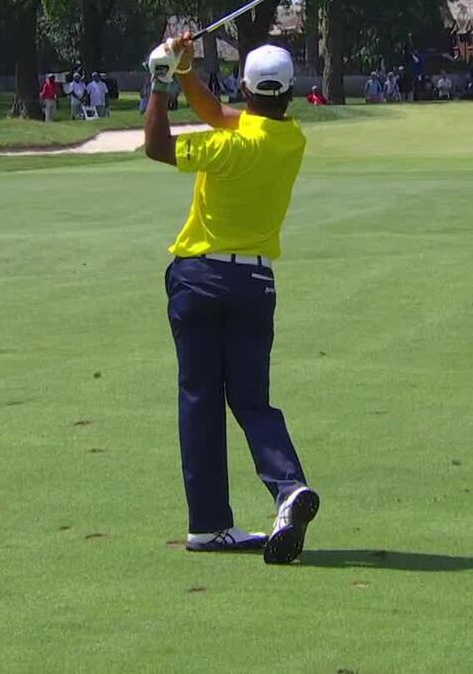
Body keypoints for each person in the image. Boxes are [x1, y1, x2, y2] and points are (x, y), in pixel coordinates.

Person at [142, 33, 319, 565]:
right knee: (252, 401)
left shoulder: (225, 145)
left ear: (245, 87)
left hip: (198, 279)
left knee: (199, 399)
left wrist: (159, 81)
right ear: (288, 95)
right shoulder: (289, 140)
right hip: (254, 285)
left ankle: (209, 526)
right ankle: (288, 488)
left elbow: (157, 147)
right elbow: (220, 112)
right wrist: (187, 72)